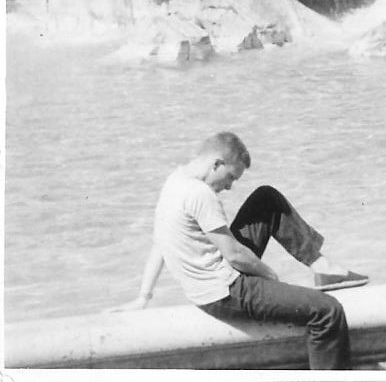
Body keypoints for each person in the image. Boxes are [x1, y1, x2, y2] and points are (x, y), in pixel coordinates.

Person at [113, 131, 367, 370]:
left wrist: (143, 297)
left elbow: (160, 243)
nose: (230, 186)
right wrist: (272, 278)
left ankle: (322, 267)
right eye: (231, 177)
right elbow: (233, 253)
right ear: (216, 164)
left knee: (266, 198)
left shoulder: (174, 181)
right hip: (226, 292)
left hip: (210, 285)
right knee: (328, 311)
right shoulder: (200, 194)